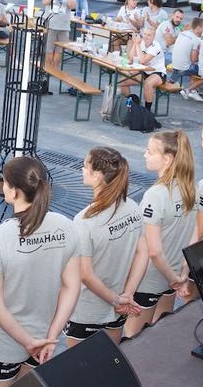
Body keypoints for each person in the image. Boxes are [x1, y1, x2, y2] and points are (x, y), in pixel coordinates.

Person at [0, 157, 79, 385]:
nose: (2, 187)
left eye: (4, 182)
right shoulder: (65, 226)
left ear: (13, 192)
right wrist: (51, 337)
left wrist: (27, 342)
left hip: (1, 345)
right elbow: (72, 287)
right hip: (43, 340)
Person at [66, 147, 143, 347]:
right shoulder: (133, 208)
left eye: (85, 166)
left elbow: (85, 275)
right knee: (108, 367)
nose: (81, 169)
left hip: (88, 311)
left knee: (78, 373)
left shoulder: (84, 221)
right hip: (118, 308)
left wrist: (117, 300)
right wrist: (128, 294)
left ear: (98, 175)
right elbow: (143, 253)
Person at [123, 130, 197, 337]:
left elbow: (153, 251)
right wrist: (181, 274)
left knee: (133, 342)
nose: (144, 154)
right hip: (171, 275)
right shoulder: (190, 188)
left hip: (151, 280)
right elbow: (194, 236)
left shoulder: (156, 195)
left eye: (149, 151)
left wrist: (174, 278)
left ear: (167, 159)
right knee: (159, 338)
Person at [118, 26, 166, 112]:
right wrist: (134, 43)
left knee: (148, 84)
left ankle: (147, 111)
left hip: (157, 72)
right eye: (145, 34)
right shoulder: (141, 42)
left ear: (153, 37)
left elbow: (143, 60)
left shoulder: (156, 46)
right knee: (122, 82)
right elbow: (131, 58)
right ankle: (132, 104)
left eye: (149, 35)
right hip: (144, 71)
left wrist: (137, 45)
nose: (146, 37)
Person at [42, 0, 75, 79]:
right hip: (51, 25)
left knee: (59, 50)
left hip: (64, 26)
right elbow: (45, 2)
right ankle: (48, 69)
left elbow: (73, 6)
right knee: (49, 49)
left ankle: (54, 69)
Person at [172, 17, 203, 91]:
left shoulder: (182, 33)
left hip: (174, 64)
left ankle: (171, 81)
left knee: (186, 63)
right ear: (198, 28)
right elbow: (194, 59)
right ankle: (191, 90)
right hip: (184, 68)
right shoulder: (196, 39)